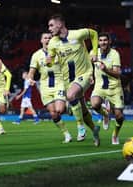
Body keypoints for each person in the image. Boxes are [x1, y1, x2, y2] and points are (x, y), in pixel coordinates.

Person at [47, 14, 100, 146]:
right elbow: (51, 60)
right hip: (68, 80)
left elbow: (94, 34)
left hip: (85, 73)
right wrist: (49, 62)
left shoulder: (77, 34)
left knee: (70, 95)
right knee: (82, 110)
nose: (49, 29)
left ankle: (80, 126)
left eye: (51, 25)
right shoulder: (53, 42)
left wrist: (94, 52)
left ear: (60, 24)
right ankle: (94, 129)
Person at [28, 32, 72, 143]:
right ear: (41, 40)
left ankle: (68, 106)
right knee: (53, 113)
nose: (47, 39)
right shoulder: (36, 55)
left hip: (59, 83)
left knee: (59, 109)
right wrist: (30, 79)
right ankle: (66, 134)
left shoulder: (59, 52)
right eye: (45, 38)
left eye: (49, 38)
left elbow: (68, 66)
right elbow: (31, 72)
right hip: (45, 87)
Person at [90, 32, 124, 145]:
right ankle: (105, 114)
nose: (103, 42)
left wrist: (105, 69)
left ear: (109, 41)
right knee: (94, 104)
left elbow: (118, 73)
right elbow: (89, 66)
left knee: (119, 116)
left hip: (114, 88)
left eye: (105, 40)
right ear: (98, 42)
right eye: (100, 40)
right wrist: (90, 75)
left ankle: (115, 135)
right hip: (100, 86)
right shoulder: (94, 53)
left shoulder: (115, 54)